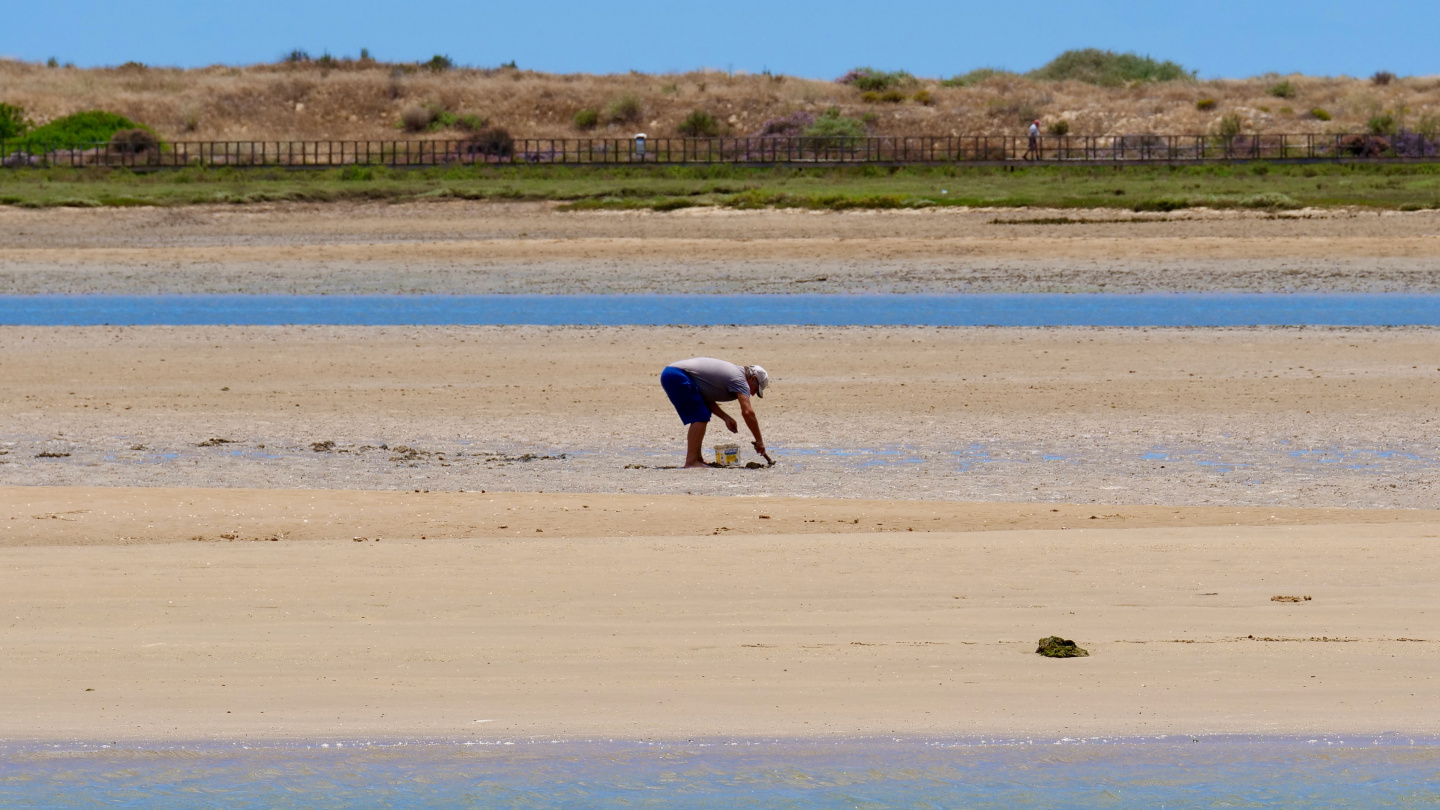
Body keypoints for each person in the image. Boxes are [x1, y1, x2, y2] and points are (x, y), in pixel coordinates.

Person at [659, 357, 770, 468]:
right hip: (676, 375)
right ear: (753, 378)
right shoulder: (740, 380)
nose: (753, 394)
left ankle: (698, 458)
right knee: (700, 416)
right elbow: (748, 412)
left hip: (672, 373)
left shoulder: (736, 375)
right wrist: (759, 441)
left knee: (703, 413)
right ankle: (691, 461)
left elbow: (705, 399)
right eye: (756, 389)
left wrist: (725, 418)